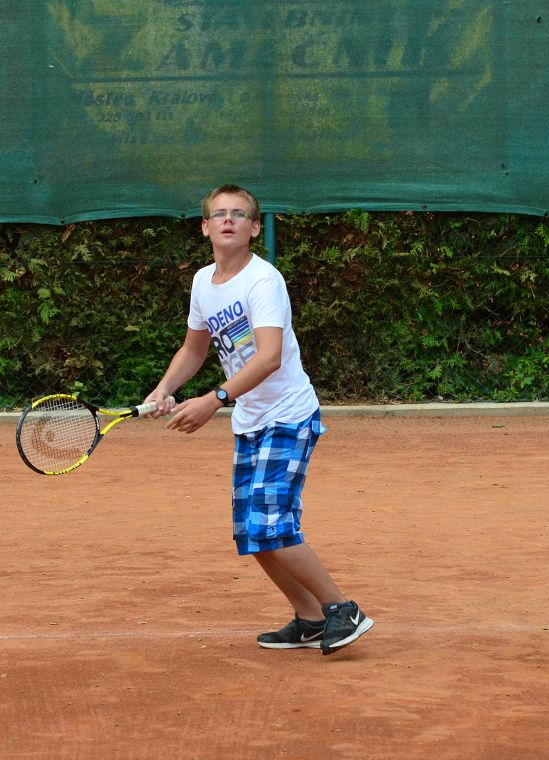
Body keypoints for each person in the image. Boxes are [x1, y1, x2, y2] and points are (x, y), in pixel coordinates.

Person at [145, 184, 374, 655]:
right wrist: (164, 388)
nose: (228, 220)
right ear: (205, 227)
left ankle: (342, 609)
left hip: (288, 415)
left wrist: (215, 398)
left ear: (253, 229)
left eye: (239, 214)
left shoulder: (263, 282)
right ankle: (311, 620)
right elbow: (194, 349)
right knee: (252, 532)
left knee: (270, 525)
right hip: (251, 420)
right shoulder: (203, 282)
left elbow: (269, 357)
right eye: (219, 214)